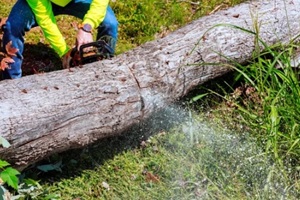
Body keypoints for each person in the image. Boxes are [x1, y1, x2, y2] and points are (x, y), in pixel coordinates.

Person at [1, 0, 118, 79]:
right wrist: (64, 51)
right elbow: (44, 17)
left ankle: (104, 75)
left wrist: (87, 26)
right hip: (42, 3)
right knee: (13, 26)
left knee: (110, 24)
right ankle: (12, 82)